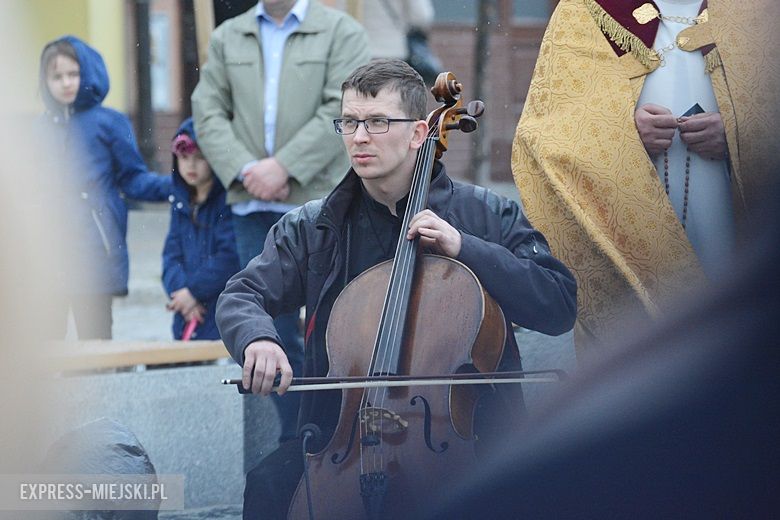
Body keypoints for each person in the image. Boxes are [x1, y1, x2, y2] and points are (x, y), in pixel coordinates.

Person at [216, 58, 577, 519]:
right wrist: (259, 339)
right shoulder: (316, 226)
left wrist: (468, 248)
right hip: (342, 442)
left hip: (470, 441)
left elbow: (558, 303)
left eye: (377, 122)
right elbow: (242, 292)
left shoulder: (486, 215)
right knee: (268, 486)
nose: (359, 137)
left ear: (419, 134)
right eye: (349, 122)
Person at [511, 0, 780, 352]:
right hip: (632, 223)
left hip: (737, 222)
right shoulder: (587, 9)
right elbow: (546, 132)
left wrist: (738, 133)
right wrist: (624, 134)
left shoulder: (759, 9)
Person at [191, 0, 371, 441]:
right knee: (270, 324)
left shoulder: (341, 32)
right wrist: (245, 168)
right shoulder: (227, 35)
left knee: (335, 322)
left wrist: (285, 167)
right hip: (250, 202)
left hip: (323, 198)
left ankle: (341, 426)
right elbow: (208, 110)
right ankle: (299, 435)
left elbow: (341, 106)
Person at [39, 36, 172, 340]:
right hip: (46, 255)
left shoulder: (109, 123)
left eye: (73, 74)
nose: (66, 83)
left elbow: (133, 178)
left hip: (94, 251)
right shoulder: (38, 130)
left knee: (95, 343)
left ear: (88, 72)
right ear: (44, 81)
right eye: (57, 76)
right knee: (46, 347)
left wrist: (175, 187)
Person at [162, 118, 240, 341]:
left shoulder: (228, 201)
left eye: (200, 158)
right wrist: (181, 295)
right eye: (184, 158)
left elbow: (229, 257)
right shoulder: (180, 201)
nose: (191, 166)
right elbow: (171, 254)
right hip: (186, 312)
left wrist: (194, 292)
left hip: (217, 308)